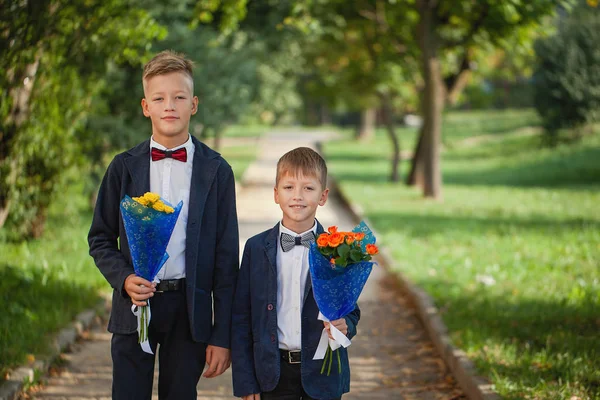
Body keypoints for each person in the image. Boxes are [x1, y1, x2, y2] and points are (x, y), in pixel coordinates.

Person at [88, 50, 239, 400]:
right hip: (133, 307)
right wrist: (124, 278)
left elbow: (226, 259)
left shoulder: (216, 171)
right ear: (146, 107)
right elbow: (100, 238)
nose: (169, 105)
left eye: (179, 97)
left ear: (194, 104)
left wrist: (221, 336)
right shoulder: (122, 167)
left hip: (189, 313)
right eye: (159, 98)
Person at [231, 147, 361, 400]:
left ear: (323, 196)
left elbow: (350, 309)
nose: (298, 196)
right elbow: (241, 317)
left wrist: (347, 325)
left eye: (308, 188)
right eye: (289, 187)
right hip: (271, 374)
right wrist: (247, 382)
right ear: (276, 194)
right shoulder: (256, 248)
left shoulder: (338, 250)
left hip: (323, 373)